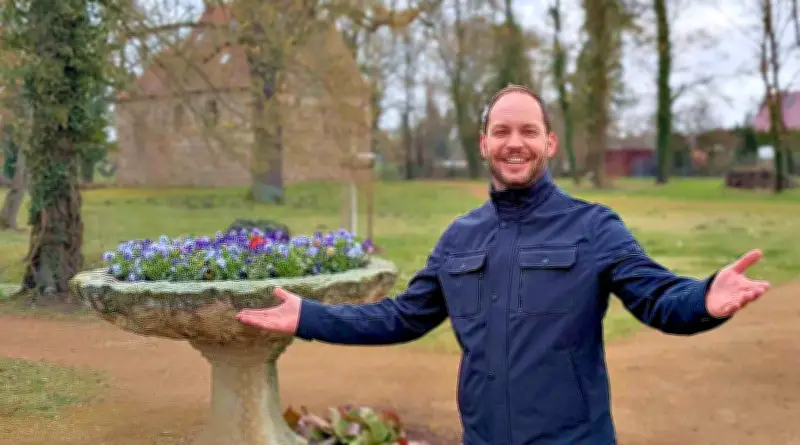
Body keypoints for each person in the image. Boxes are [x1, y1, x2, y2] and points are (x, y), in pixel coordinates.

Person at [236, 84, 771, 445]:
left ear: (549, 143)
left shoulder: (594, 227)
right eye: (503, 132)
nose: (515, 143)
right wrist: (309, 316)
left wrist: (703, 298)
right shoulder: (458, 237)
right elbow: (402, 317)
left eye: (528, 131)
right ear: (485, 143)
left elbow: (658, 299)